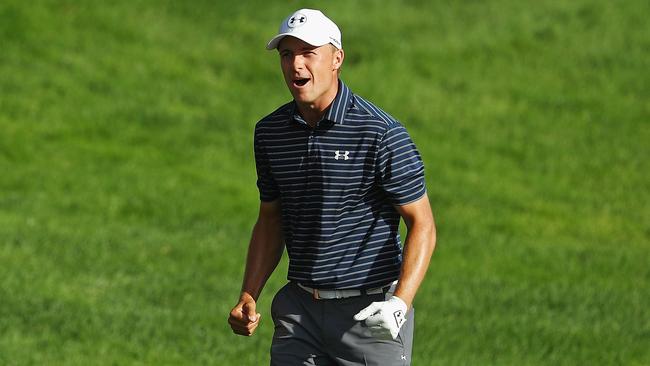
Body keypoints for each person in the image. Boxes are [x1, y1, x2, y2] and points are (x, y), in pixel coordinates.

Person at [228, 8, 436, 365]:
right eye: (287, 54)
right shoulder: (270, 132)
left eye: (309, 53)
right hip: (299, 314)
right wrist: (250, 293)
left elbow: (423, 225)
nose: (296, 65)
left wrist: (399, 304)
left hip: (371, 316)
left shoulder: (381, 133)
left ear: (337, 58)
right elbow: (270, 219)